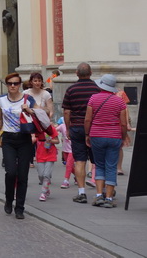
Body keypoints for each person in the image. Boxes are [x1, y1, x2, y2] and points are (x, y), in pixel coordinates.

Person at [0, 73, 36, 219]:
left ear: (20, 85)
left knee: (23, 175)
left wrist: (30, 110)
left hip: (24, 139)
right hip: (9, 139)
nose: (12, 86)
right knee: (11, 172)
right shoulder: (1, 100)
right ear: (6, 84)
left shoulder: (28, 99)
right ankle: (9, 199)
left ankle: (20, 208)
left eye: (16, 83)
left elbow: (44, 113)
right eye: (10, 83)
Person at [85, 74, 129, 208]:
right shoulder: (119, 101)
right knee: (111, 166)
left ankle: (99, 195)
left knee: (99, 165)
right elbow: (123, 123)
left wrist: (87, 134)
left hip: (97, 135)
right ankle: (109, 198)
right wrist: (123, 136)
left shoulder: (93, 98)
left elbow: (87, 119)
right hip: (114, 136)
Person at [61, 62, 99, 204]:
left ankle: (81, 192)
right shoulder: (97, 89)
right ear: (90, 73)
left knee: (80, 161)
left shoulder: (71, 90)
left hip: (76, 127)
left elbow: (66, 111)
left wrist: (68, 128)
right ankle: (102, 190)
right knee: (98, 160)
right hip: (94, 128)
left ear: (77, 73)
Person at [31, 106, 59, 202]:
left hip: (50, 154)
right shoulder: (37, 128)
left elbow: (57, 141)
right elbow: (33, 137)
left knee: (46, 175)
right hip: (40, 154)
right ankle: (46, 187)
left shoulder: (51, 128)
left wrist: (51, 140)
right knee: (41, 175)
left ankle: (43, 193)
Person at [57, 117, 75, 189]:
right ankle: (78, 176)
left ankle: (66, 181)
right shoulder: (62, 126)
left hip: (73, 150)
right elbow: (54, 130)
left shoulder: (74, 126)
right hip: (65, 150)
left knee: (68, 165)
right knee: (70, 166)